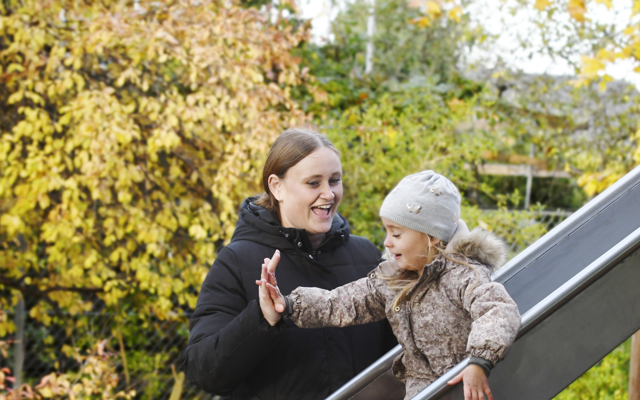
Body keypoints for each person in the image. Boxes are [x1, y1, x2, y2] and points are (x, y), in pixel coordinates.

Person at [257, 170, 522, 400]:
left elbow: (498, 310)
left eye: (396, 233)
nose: (387, 241)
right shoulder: (394, 278)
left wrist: (479, 361)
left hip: (463, 385)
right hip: (420, 389)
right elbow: (343, 302)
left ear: (431, 238)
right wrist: (290, 304)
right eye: (387, 231)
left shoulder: (464, 276)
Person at [183, 128, 398, 399]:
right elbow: (204, 371)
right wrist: (262, 318)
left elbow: (401, 354)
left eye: (334, 180)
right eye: (313, 183)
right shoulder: (236, 262)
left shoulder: (366, 255)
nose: (328, 194)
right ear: (277, 187)